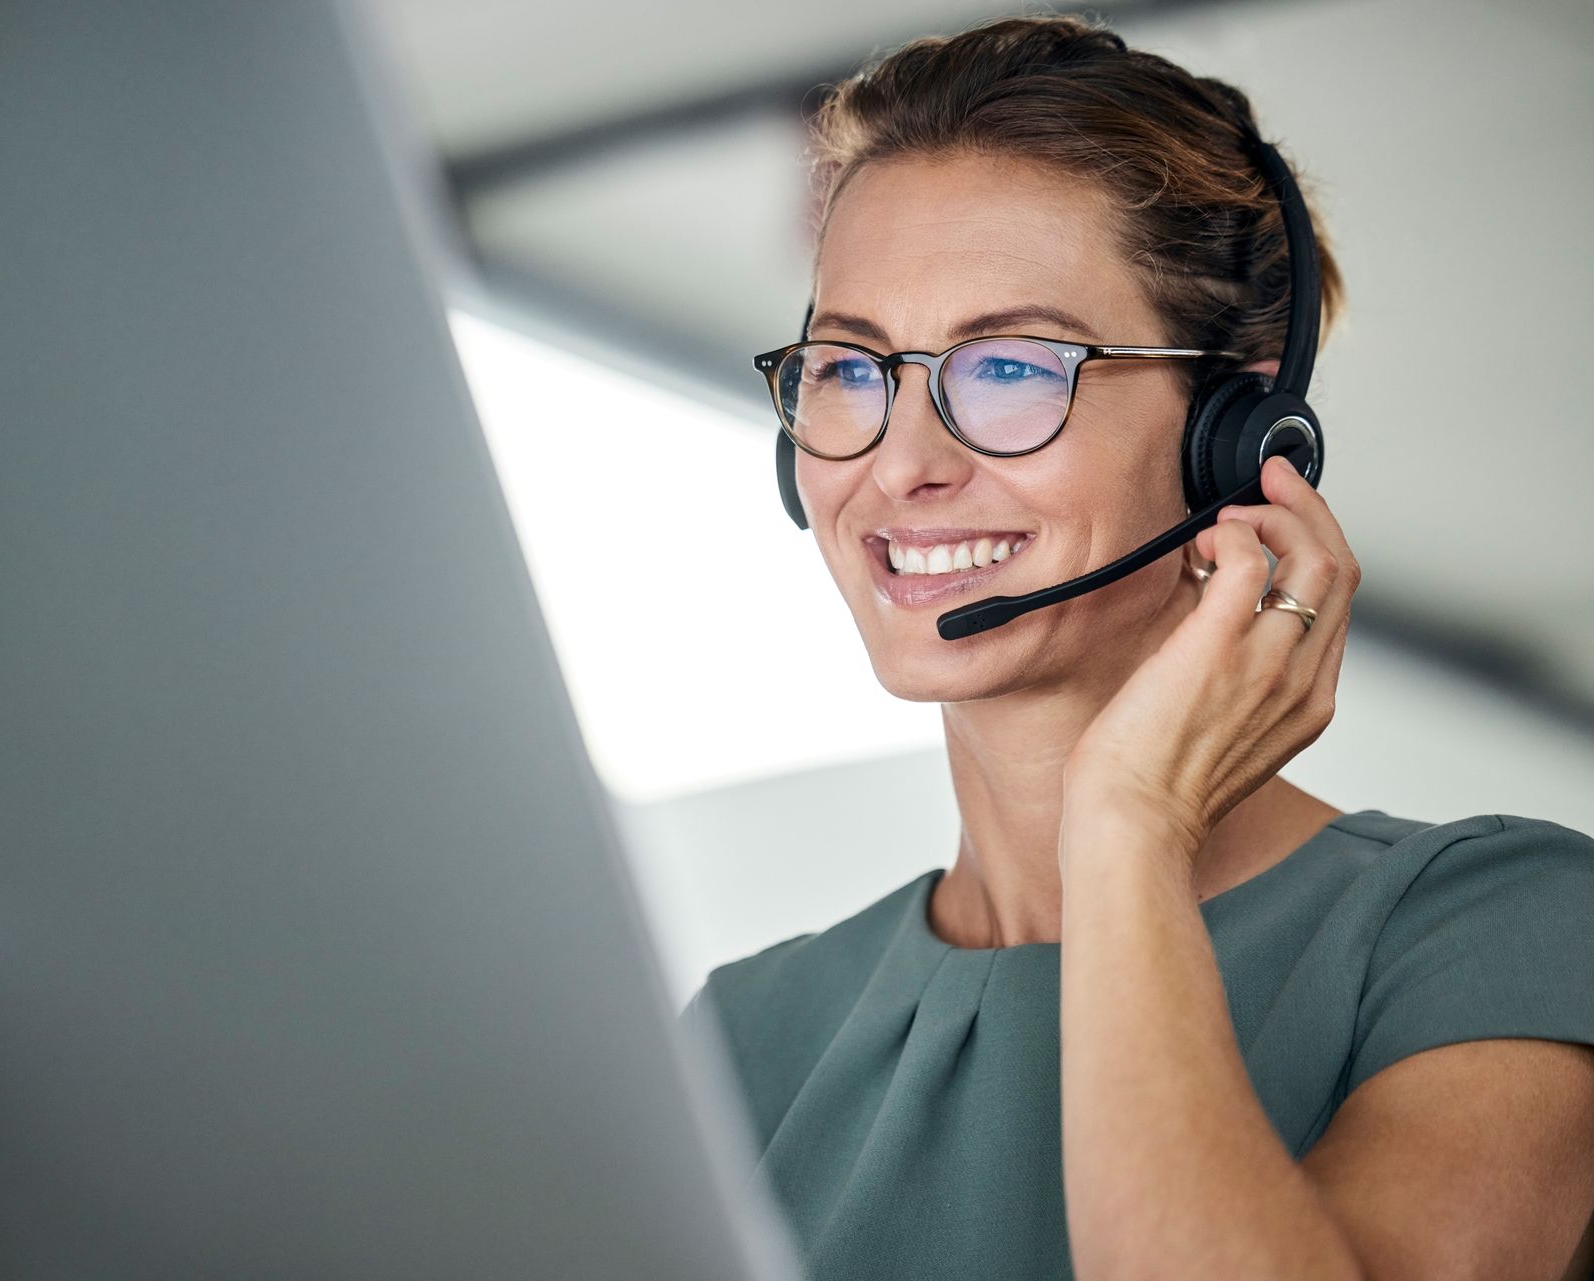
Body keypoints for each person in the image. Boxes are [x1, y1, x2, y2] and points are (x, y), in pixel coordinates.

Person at [680, 15, 1594, 1280]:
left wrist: (1128, 825)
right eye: (851, 368)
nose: (900, 465)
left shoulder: (1495, 927)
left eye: (1010, 367)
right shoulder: (735, 1041)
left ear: (1236, 434)